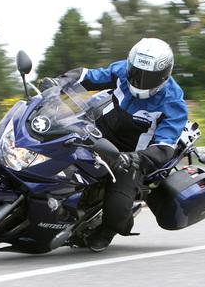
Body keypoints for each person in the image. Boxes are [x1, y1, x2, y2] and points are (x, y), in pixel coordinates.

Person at [40, 38, 188, 251]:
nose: (139, 80)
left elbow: (164, 148)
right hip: (94, 130)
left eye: (148, 77)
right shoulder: (123, 70)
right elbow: (88, 76)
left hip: (129, 156)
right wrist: (59, 82)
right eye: (135, 73)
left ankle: (108, 230)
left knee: (117, 210)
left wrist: (134, 159)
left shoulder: (173, 103)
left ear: (164, 76)